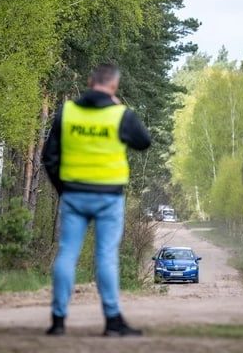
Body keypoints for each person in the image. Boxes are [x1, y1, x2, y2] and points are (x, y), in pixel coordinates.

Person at [42, 63, 151, 337]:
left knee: (67, 253)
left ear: (90, 82)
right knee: (106, 257)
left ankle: (58, 321)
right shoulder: (120, 115)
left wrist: (63, 188)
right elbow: (144, 141)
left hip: (73, 194)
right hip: (108, 197)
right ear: (114, 86)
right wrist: (120, 108)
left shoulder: (67, 112)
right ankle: (112, 322)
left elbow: (49, 156)